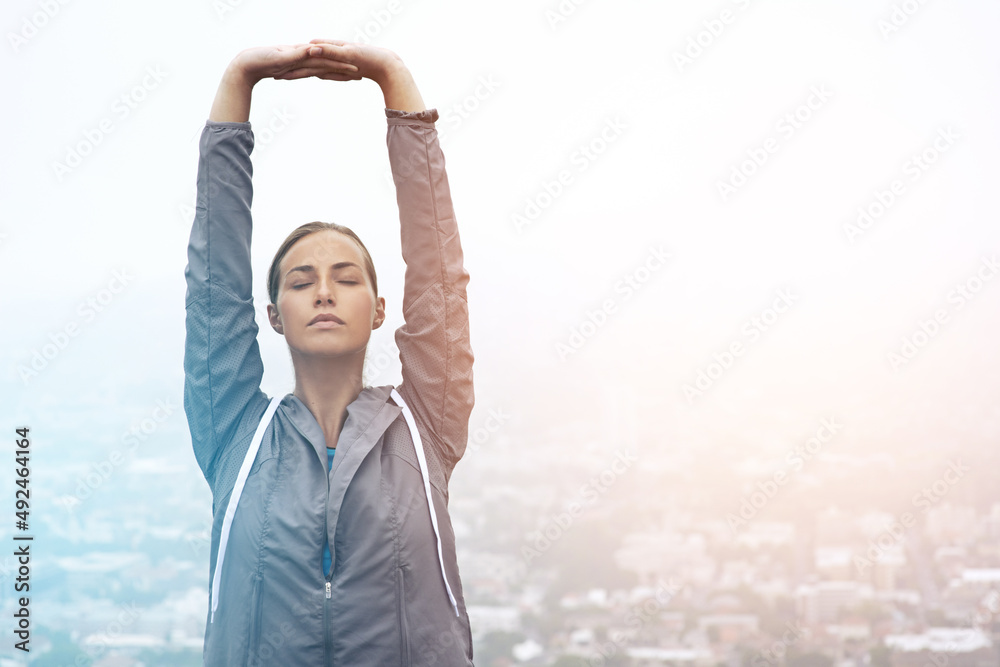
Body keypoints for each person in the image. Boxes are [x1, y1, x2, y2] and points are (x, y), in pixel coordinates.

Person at [183, 40, 475, 665]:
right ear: (271, 316)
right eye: (299, 281)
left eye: (346, 278)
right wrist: (239, 79)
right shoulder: (234, 431)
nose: (323, 291)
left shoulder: (426, 426)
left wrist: (394, 80)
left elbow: (438, 276)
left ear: (378, 309)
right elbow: (214, 281)